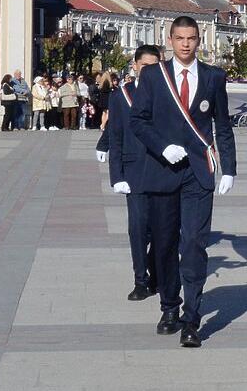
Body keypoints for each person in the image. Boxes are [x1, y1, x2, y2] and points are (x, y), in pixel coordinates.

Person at [129, 16, 237, 348]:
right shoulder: (152, 75)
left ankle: (192, 317)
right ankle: (169, 307)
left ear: (199, 40)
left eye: (191, 38)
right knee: (163, 245)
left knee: (193, 243)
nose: (186, 44)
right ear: (169, 39)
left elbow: (222, 124)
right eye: (180, 38)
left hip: (198, 173)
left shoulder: (213, 76)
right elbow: (138, 120)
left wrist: (229, 169)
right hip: (163, 170)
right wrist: (163, 147)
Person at [104, 45, 165, 302]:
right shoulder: (121, 97)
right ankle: (141, 281)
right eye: (145, 66)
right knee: (138, 229)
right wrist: (116, 176)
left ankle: (156, 273)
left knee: (165, 229)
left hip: (163, 170)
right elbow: (115, 136)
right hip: (135, 171)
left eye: (155, 66)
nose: (150, 70)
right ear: (135, 66)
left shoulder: (167, 95)